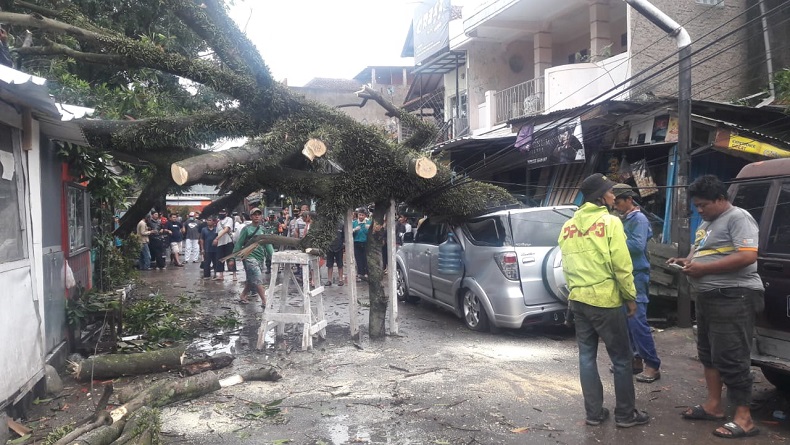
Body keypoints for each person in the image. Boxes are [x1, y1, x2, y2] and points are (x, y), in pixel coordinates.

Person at [670, 175, 763, 439]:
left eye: (704, 205)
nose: (699, 210)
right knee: (709, 354)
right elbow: (700, 253)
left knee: (732, 355)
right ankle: (713, 406)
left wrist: (704, 269)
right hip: (708, 296)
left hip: (733, 295)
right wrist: (686, 261)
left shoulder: (738, 217)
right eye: (696, 206)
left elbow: (748, 255)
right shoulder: (707, 223)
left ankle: (744, 419)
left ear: (721, 199)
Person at [558, 173, 648, 428]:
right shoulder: (610, 222)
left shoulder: (567, 227)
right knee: (621, 359)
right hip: (605, 300)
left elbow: (566, 266)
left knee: (586, 357)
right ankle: (625, 415)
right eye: (609, 191)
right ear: (600, 197)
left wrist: (575, 292)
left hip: (578, 300)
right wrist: (630, 297)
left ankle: (594, 414)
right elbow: (621, 265)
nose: (613, 195)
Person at [612, 183, 661, 383]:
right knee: (626, 320)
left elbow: (637, 245)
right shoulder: (624, 219)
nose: (615, 206)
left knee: (637, 320)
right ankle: (635, 360)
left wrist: (612, 242)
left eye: (618, 202)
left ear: (629, 200)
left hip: (637, 275)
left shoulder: (638, 219)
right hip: (626, 275)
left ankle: (652, 365)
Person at [233, 208, 268, 307]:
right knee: (257, 278)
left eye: (258, 214)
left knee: (251, 279)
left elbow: (267, 244)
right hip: (249, 257)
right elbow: (239, 244)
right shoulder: (246, 229)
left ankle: (243, 295)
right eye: (254, 214)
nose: (257, 216)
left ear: (261, 216)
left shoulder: (263, 229)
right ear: (251, 217)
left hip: (260, 257)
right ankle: (265, 300)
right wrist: (232, 258)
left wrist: (273, 256)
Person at [214, 209, 234, 281]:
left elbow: (226, 229)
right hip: (220, 243)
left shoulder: (229, 219)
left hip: (228, 241)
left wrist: (217, 238)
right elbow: (217, 232)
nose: (221, 213)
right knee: (220, 259)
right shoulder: (218, 222)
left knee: (231, 258)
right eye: (220, 212)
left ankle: (234, 275)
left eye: (223, 212)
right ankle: (221, 275)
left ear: (226, 213)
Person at [325, 218, 345, 286]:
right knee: (329, 264)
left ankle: (340, 280)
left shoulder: (342, 223)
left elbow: (344, 236)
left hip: (339, 247)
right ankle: (329, 280)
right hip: (329, 247)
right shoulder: (328, 223)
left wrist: (343, 245)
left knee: (340, 264)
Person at [199, 216, 220, 280]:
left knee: (216, 263)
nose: (208, 221)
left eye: (210, 220)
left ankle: (216, 275)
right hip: (207, 249)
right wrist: (202, 249)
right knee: (207, 263)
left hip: (215, 249)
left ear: (213, 222)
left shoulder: (216, 229)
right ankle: (207, 276)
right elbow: (201, 239)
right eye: (207, 220)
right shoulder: (204, 229)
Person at [352, 208, 370, 282]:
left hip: (366, 243)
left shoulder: (368, 222)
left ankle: (366, 274)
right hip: (357, 243)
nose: (361, 216)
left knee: (366, 259)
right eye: (360, 215)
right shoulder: (354, 223)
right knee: (358, 259)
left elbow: (373, 233)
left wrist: (369, 228)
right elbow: (349, 232)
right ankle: (360, 274)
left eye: (362, 215)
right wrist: (354, 230)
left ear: (365, 215)